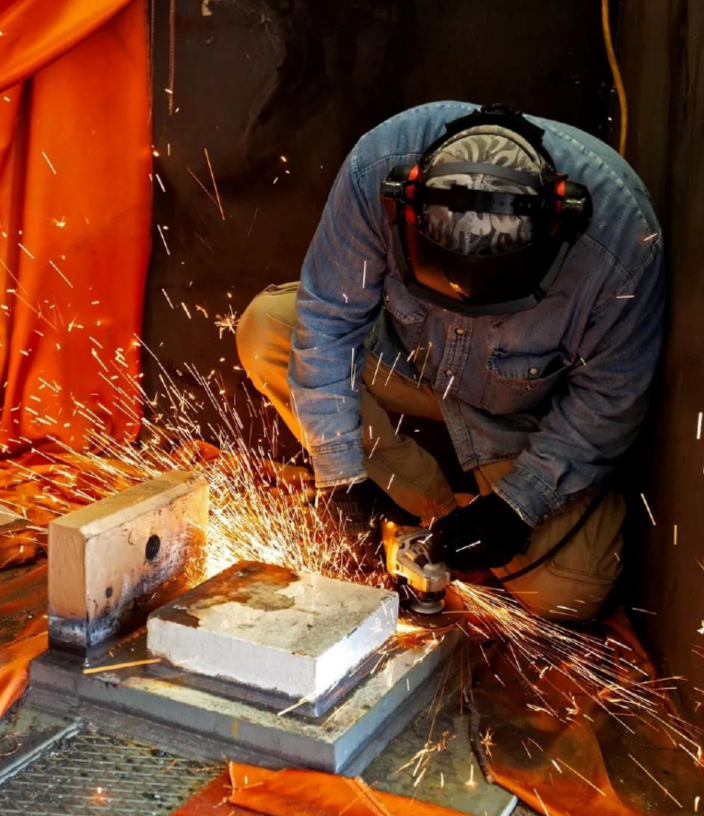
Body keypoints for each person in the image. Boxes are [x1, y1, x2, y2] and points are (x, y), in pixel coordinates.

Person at [236, 102, 664, 621]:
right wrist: (340, 474)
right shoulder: (377, 170)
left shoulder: (619, 242)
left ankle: (474, 517)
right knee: (267, 330)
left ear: (558, 229)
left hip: (520, 412)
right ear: (405, 203)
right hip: (407, 360)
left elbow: (609, 403)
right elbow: (328, 322)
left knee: (570, 590)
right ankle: (428, 513)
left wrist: (516, 509)